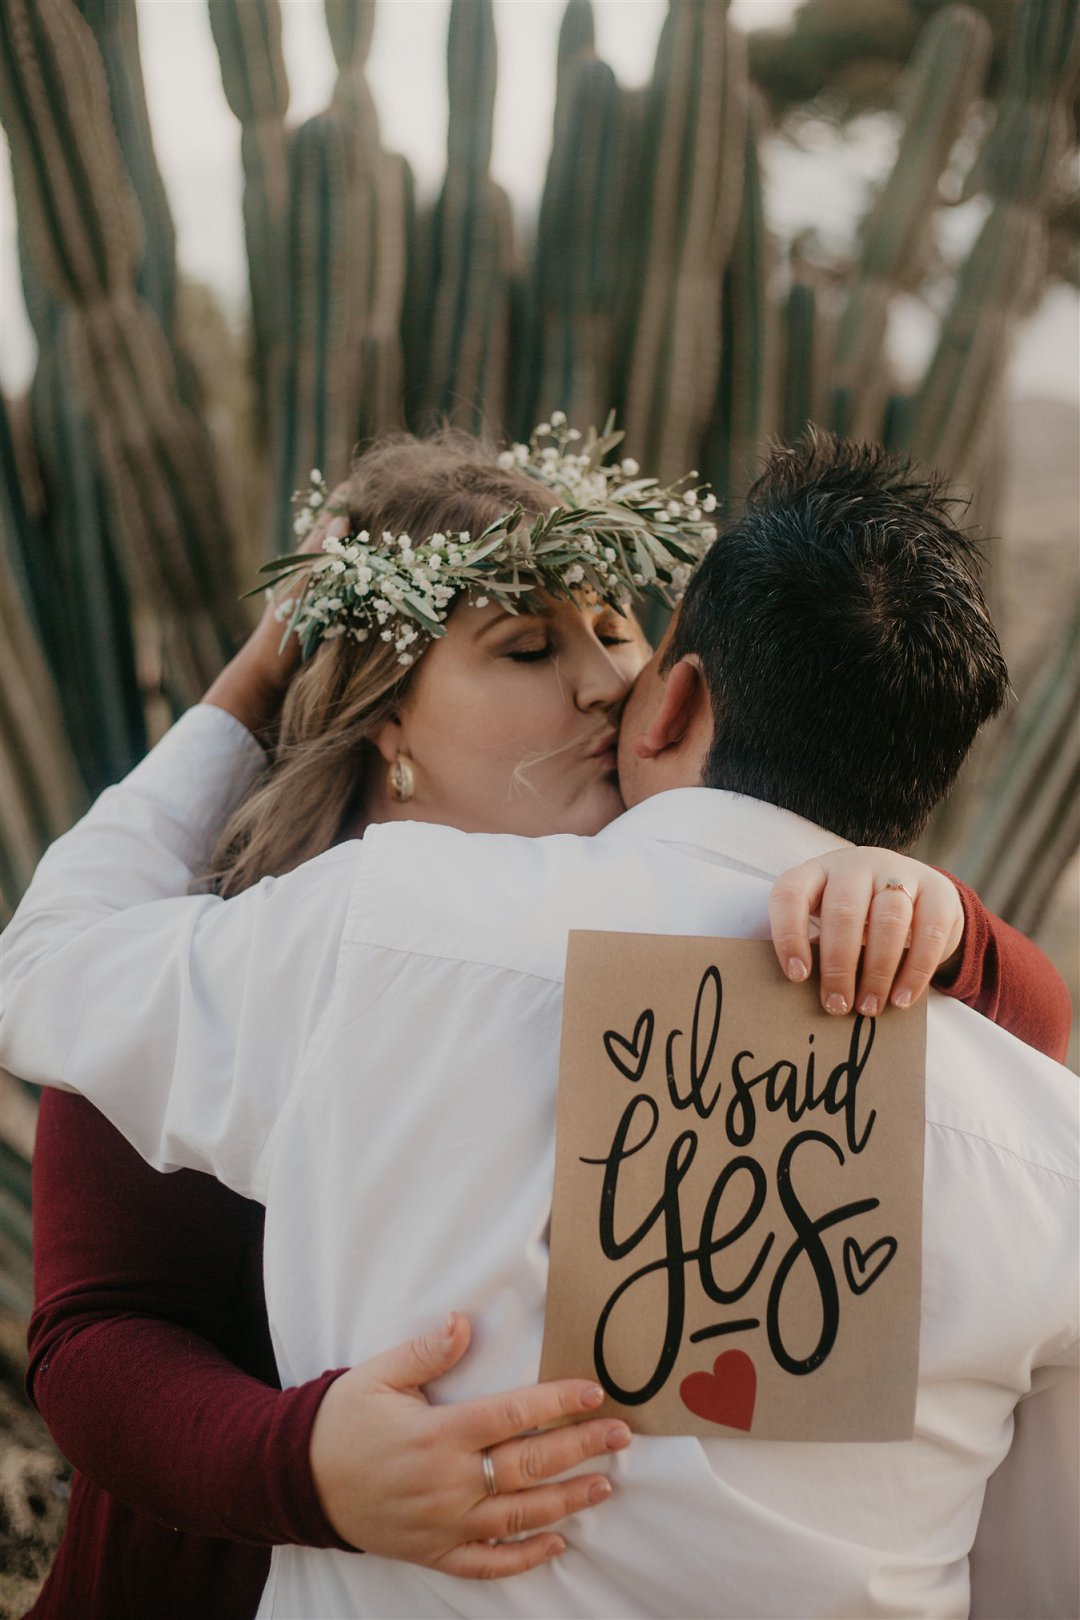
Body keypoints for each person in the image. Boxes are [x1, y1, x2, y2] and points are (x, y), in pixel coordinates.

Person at [3, 428, 1075, 1618]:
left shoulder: (760, 958)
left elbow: (1005, 1048)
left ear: (674, 703)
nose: (602, 681)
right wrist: (301, 1464)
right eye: (524, 647)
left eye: (619, 630)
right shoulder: (240, 955)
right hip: (203, 1574)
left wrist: (931, 917)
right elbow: (95, 1336)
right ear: (387, 727)